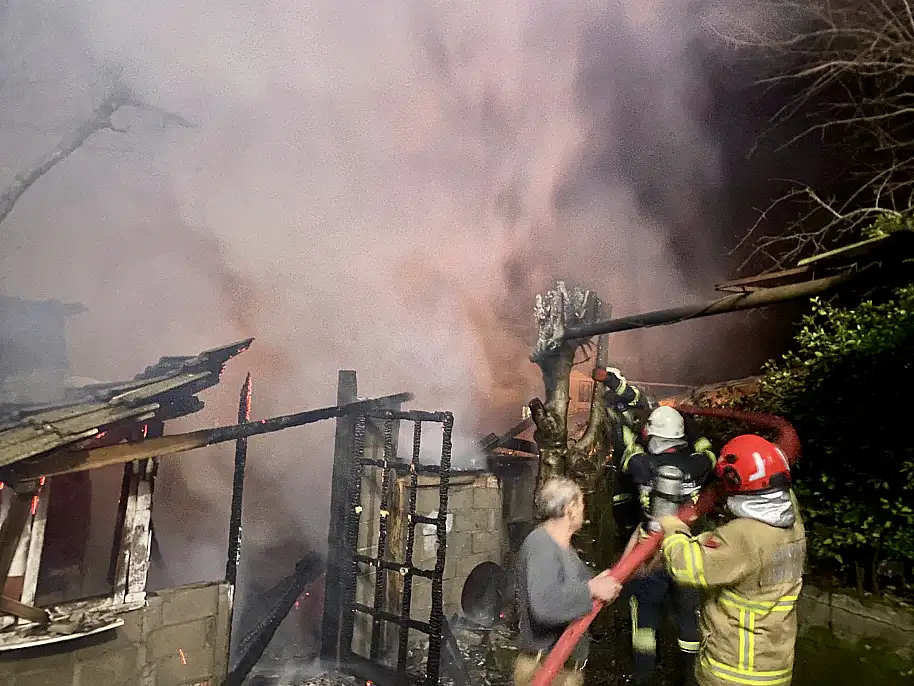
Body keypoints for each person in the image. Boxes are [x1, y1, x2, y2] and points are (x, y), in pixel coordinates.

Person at [657, 434, 806, 686]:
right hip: (775, 667)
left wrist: (673, 528)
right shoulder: (794, 526)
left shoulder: (743, 536)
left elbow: (685, 566)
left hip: (734, 669)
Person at [621, 404, 717, 686]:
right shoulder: (699, 465)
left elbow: (629, 447)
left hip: (649, 553)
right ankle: (689, 675)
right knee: (688, 615)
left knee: (645, 619)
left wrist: (624, 417)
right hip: (687, 551)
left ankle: (643, 676)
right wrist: (694, 428)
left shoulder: (642, 465)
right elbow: (709, 453)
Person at [514, 477, 623, 686]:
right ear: (569, 508)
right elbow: (545, 606)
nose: (584, 511)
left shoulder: (564, 549)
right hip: (544, 668)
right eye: (581, 504)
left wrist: (602, 585)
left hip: (563, 670)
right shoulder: (541, 545)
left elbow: (581, 588)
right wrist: (591, 589)